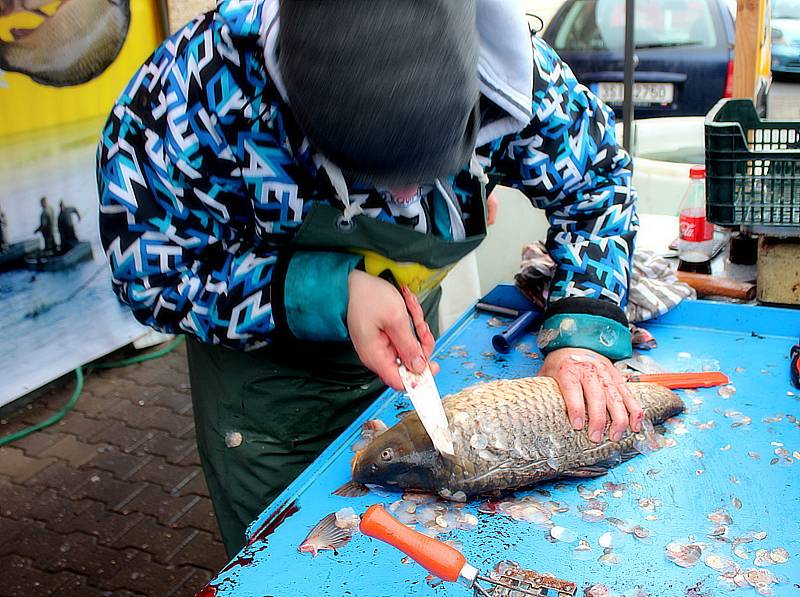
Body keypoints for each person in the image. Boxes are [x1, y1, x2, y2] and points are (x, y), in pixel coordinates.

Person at [97, 0, 641, 557]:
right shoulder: (188, 98)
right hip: (269, 406)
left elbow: (597, 183)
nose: (406, 201)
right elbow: (149, 273)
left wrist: (581, 332)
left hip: (407, 374)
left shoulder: (516, 71)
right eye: (366, 174)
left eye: (429, 175)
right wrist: (331, 292)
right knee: (297, 572)